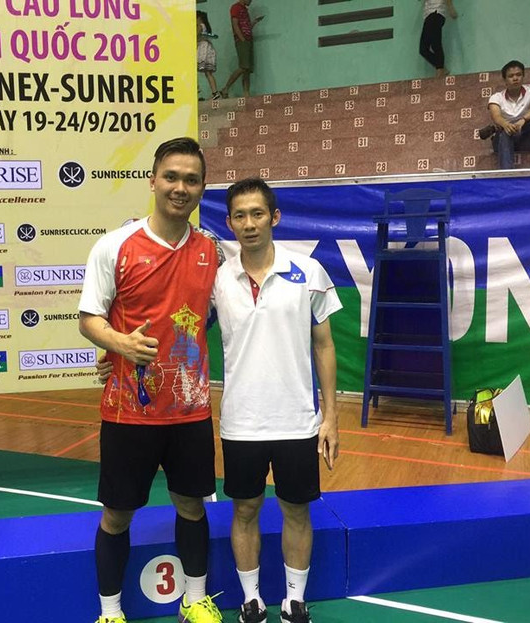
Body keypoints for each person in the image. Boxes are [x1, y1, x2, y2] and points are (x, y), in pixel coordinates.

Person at [79, 137, 222, 623]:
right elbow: (89, 318)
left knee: (192, 506)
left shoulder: (212, 251)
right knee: (117, 514)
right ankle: (110, 611)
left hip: (190, 410)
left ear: (202, 187)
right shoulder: (115, 245)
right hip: (129, 413)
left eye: (191, 180)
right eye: (171, 177)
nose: (180, 188)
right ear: (153, 181)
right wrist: (119, 345)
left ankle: (195, 600)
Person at [215, 178, 341, 623]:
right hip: (241, 422)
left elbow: (324, 345)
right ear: (230, 223)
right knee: (245, 509)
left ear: (275, 217)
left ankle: (294, 600)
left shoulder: (309, 272)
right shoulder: (217, 279)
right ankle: (251, 600)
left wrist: (331, 417)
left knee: (296, 510)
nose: (249, 224)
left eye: (257, 214)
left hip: (297, 421)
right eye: (240, 216)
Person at [479, 60, 530, 170]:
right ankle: (507, 173)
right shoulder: (496, 97)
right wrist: (506, 125)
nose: (515, 78)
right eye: (511, 76)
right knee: (506, 132)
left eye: (518, 75)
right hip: (502, 141)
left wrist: (523, 120)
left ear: (523, 76)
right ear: (505, 79)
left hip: (525, 139)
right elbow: (496, 116)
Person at [220, 0, 265, 99]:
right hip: (242, 41)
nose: (251, 1)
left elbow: (247, 27)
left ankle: (246, 93)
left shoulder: (245, 10)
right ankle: (226, 88)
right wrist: (242, 39)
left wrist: (255, 21)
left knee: (247, 69)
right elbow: (235, 25)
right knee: (243, 67)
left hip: (248, 40)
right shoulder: (235, 7)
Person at [419, 0, 458, 78]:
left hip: (436, 13)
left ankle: (440, 71)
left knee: (435, 44)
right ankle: (441, 67)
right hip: (428, 16)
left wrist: (451, 9)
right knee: (423, 49)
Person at [197, 11, 222, 100]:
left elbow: (196, 35)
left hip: (203, 50)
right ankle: (215, 92)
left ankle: (196, 89)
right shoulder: (205, 26)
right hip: (208, 49)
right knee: (208, 73)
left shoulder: (200, 26)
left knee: (193, 69)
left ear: (199, 18)